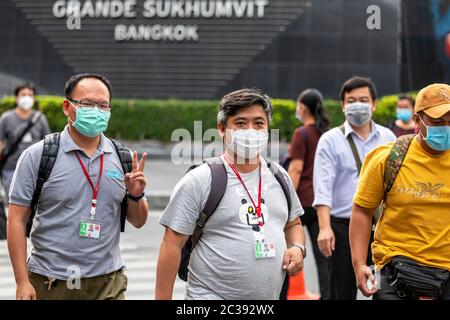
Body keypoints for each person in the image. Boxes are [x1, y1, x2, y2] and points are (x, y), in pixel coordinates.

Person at [7, 73, 149, 300]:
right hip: (51, 281)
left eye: (103, 105)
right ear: (67, 106)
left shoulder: (122, 158)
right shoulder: (39, 155)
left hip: (108, 282)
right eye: (87, 104)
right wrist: (22, 282)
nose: (96, 111)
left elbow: (139, 221)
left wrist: (136, 195)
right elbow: (16, 219)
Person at [155, 88, 306, 300]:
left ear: (267, 128)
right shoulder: (200, 180)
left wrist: (298, 248)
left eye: (258, 123)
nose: (251, 130)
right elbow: (172, 244)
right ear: (222, 128)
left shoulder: (279, 176)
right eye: (241, 123)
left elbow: (293, 224)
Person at [350, 83, 450, 300]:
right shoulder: (388, 159)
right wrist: (359, 264)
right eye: (438, 122)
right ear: (417, 120)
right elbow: (362, 211)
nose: (446, 127)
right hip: (395, 273)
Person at [312, 76, 396, 300]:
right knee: (341, 289)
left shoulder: (388, 138)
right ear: (342, 105)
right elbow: (323, 187)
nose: (357, 105)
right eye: (351, 100)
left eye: (363, 99)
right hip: (342, 227)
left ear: (374, 104)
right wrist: (324, 227)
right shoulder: (330, 140)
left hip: (381, 228)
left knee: (386, 290)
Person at [287, 88, 331, 299]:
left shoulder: (301, 133)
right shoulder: (325, 133)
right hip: (320, 203)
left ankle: (281, 295)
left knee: (288, 252)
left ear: (302, 108)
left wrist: (286, 198)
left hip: (300, 202)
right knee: (322, 258)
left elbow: (295, 169)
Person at [0, 83, 51, 196]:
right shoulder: (6, 118)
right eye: (23, 94)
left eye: (30, 95)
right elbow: (1, 142)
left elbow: (48, 143)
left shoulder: (40, 118)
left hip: (35, 170)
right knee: (12, 203)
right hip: (11, 169)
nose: (27, 98)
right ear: (16, 97)